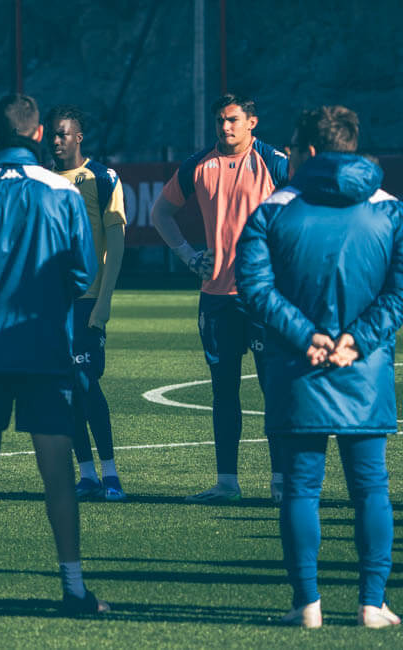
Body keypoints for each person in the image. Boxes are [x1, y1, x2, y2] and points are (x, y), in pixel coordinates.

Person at [0, 94, 108, 615]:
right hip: (44, 348)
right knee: (57, 473)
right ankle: (73, 588)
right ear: (37, 135)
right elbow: (83, 272)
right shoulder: (63, 193)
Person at [236, 106, 401, 629]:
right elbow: (397, 293)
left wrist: (307, 337)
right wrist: (357, 340)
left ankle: (307, 605)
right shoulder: (389, 209)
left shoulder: (273, 210)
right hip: (363, 368)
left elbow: (254, 287)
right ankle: (372, 604)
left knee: (301, 487)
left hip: (297, 365)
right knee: (371, 488)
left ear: (307, 151)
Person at [150, 94, 288, 504]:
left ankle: (282, 482)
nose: (225, 127)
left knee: (275, 391)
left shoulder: (275, 163)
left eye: (232, 120)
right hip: (216, 297)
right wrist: (188, 255)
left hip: (264, 297)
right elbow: (160, 214)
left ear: (252, 122)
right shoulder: (198, 165)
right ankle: (227, 483)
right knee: (223, 393)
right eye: (220, 121)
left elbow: (307, 207)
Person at [46, 105, 127, 502]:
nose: (56, 141)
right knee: (65, 390)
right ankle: (87, 475)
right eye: (52, 134)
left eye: (63, 134)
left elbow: (117, 241)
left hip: (87, 300)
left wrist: (104, 301)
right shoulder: (42, 181)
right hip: (52, 305)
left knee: (85, 382)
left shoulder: (102, 178)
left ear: (78, 137)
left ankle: (111, 474)